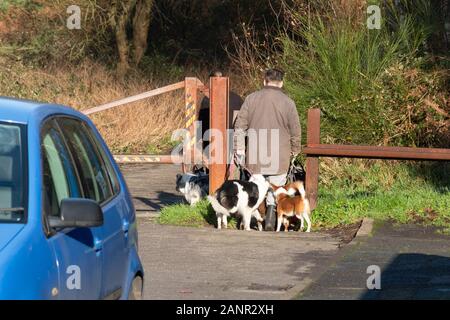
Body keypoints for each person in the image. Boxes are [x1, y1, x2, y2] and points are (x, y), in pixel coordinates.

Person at [233, 68, 302, 231]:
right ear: (282, 83)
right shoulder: (288, 102)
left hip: (256, 154)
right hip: (280, 154)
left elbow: (240, 126)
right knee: (275, 186)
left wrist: (240, 149)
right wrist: (295, 150)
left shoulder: (251, 99)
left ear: (264, 81)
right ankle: (271, 214)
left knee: (253, 187)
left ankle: (249, 218)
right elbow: (295, 130)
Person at [198, 71, 244, 150]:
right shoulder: (237, 98)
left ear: (211, 82)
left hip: (213, 143)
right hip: (232, 142)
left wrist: (202, 142)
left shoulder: (207, 99)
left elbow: (203, 123)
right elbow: (242, 121)